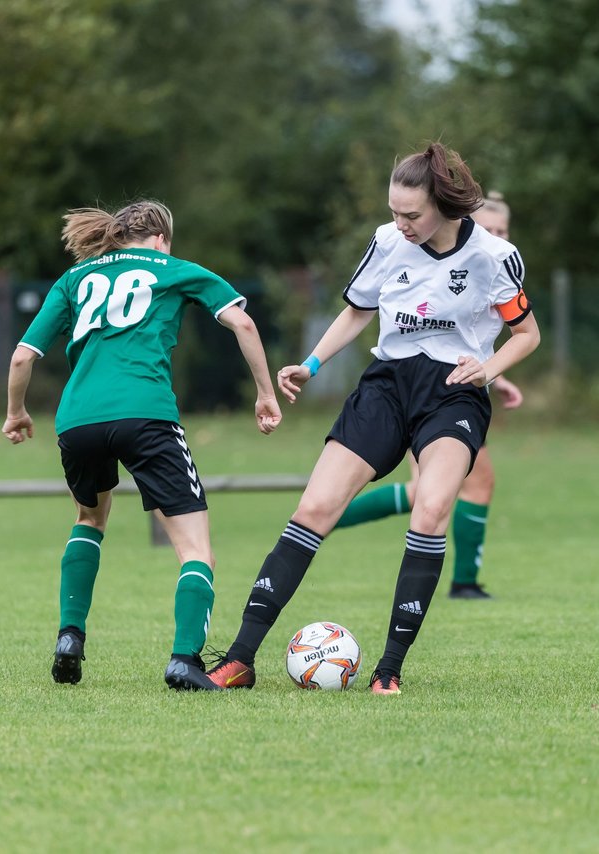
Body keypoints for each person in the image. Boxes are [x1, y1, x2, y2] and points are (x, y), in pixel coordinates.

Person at [204, 143, 540, 694]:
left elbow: (526, 335)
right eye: (393, 211)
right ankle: (239, 659)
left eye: (411, 214)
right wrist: (312, 363)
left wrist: (488, 368)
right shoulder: (387, 242)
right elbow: (359, 310)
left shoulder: (493, 257)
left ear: (445, 206)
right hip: (386, 386)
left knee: (431, 509)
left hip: (453, 395)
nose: (400, 224)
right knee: (314, 507)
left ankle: (389, 670)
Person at [2, 199, 282, 691]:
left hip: (78, 420)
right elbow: (244, 323)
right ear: (160, 240)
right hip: (146, 413)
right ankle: (183, 660)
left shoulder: (76, 277)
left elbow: (23, 356)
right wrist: (264, 394)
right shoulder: (173, 269)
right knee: (197, 550)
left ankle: (70, 637)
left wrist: (16, 412)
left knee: (89, 519)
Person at [333, 191, 523, 600]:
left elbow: (482, 338)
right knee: (435, 492)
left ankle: (464, 581)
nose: (495, 236)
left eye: (502, 229)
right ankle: (330, 515)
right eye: (489, 228)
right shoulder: (431, 253)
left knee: (465, 487)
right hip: (425, 391)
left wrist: (495, 376)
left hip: (462, 389)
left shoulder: (494, 262)